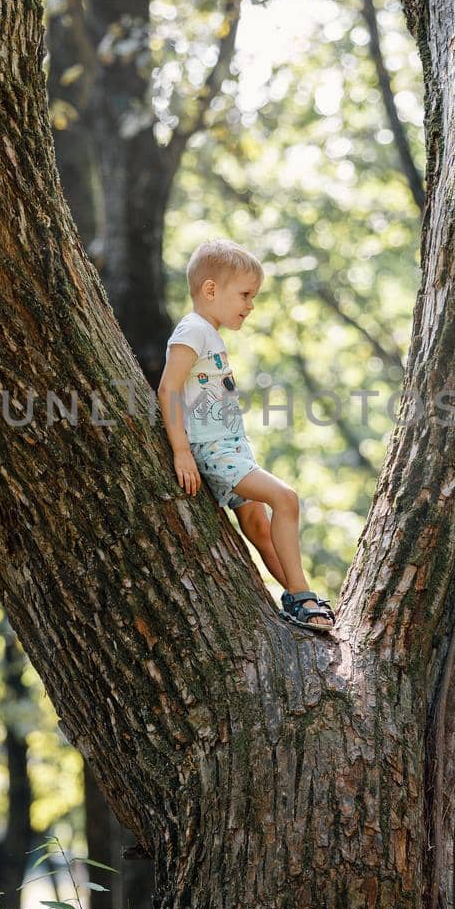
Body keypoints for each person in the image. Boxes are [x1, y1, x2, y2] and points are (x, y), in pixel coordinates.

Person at [157, 238, 335, 633]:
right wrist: (181, 451)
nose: (250, 305)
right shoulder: (193, 329)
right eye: (245, 295)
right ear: (210, 290)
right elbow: (168, 388)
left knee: (257, 525)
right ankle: (302, 595)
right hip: (214, 450)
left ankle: (295, 596)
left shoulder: (208, 333)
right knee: (285, 498)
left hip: (232, 447)